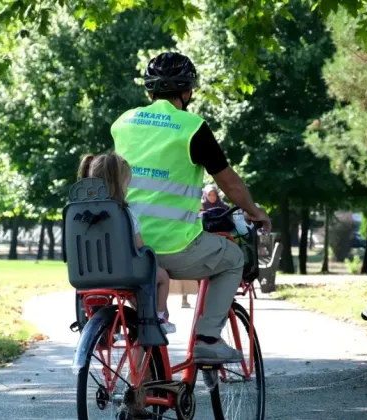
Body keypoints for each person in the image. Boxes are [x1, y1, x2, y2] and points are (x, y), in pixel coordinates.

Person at [111, 51, 272, 364]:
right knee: (232, 258)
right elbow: (230, 185)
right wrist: (254, 211)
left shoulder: (123, 123)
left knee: (146, 317)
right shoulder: (192, 128)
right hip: (175, 247)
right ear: (188, 92)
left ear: (149, 91)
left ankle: (141, 394)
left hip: (128, 245)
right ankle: (208, 338)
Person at [78, 152, 176, 335]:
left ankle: (105, 328)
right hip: (123, 273)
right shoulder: (124, 213)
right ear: (119, 184)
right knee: (162, 276)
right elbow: (140, 247)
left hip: (86, 274)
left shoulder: (79, 213)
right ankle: (160, 318)